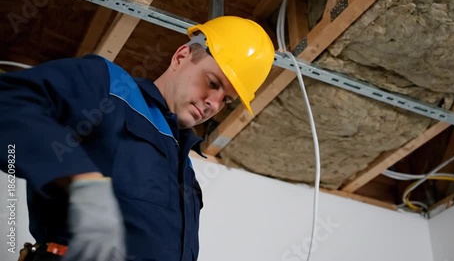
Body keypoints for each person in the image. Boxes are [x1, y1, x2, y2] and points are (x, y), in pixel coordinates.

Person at [0, 15, 275, 261]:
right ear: (181, 57)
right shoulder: (110, 88)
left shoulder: (186, 170)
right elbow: (8, 104)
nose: (213, 104)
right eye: (213, 83)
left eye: (226, 100)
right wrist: (80, 180)